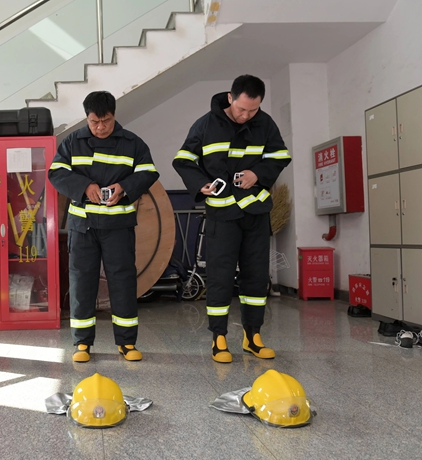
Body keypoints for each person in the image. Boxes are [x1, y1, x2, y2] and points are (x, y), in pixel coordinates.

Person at [173, 75, 291, 364]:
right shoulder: (205, 125)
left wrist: (257, 174)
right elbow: (184, 160)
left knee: (256, 276)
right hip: (222, 213)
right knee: (220, 277)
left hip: (256, 212)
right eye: (241, 109)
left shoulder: (266, 124)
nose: (246, 115)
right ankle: (219, 338)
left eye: (253, 110)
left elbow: (280, 156)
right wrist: (200, 184)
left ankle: (253, 336)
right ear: (230, 98)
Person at [48, 91, 159, 363]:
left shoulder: (132, 143)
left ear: (114, 115)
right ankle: (82, 343)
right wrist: (85, 186)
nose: (100, 127)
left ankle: (126, 342)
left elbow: (148, 172)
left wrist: (125, 187)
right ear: (87, 118)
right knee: (81, 283)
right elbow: (56, 173)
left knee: (122, 282)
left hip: (118, 225)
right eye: (94, 122)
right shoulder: (72, 142)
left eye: (106, 121)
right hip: (82, 226)